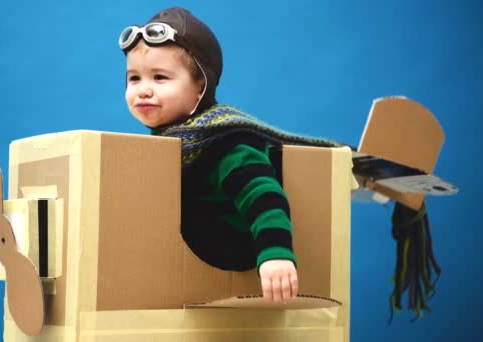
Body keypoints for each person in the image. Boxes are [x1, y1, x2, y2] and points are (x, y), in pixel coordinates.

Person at [118, 6, 347, 303]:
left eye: (160, 78)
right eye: (134, 78)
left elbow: (263, 195)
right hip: (181, 269)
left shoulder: (225, 142)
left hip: (231, 256)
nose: (143, 90)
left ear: (201, 85)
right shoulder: (167, 144)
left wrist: (275, 253)